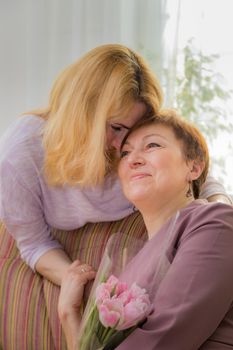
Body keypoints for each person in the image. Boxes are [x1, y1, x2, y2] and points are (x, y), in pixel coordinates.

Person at [0, 44, 231, 287]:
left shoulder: (133, 126)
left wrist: (220, 214)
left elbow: (192, 167)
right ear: (82, 114)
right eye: (117, 128)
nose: (124, 147)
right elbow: (34, 244)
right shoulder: (19, 158)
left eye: (135, 132)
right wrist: (81, 283)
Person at [58, 109, 233, 350]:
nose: (133, 159)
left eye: (152, 145)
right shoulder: (127, 265)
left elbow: (168, 337)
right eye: (126, 153)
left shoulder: (216, 222)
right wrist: (69, 314)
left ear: (194, 168)